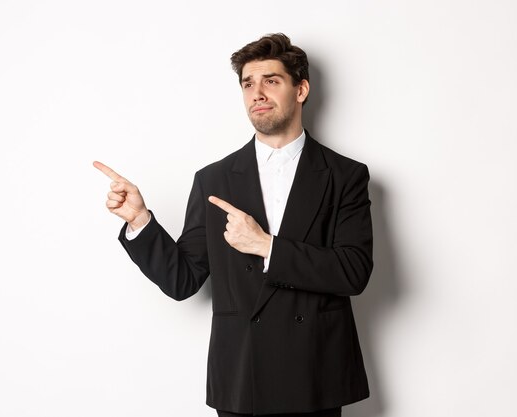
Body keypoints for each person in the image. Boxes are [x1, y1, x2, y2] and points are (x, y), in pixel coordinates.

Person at [94, 33, 373, 417]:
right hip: (243, 376)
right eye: (247, 84)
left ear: (301, 89)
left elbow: (353, 272)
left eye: (271, 81)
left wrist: (266, 246)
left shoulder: (345, 175)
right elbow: (182, 281)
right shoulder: (214, 179)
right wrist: (140, 220)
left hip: (315, 374)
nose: (257, 92)